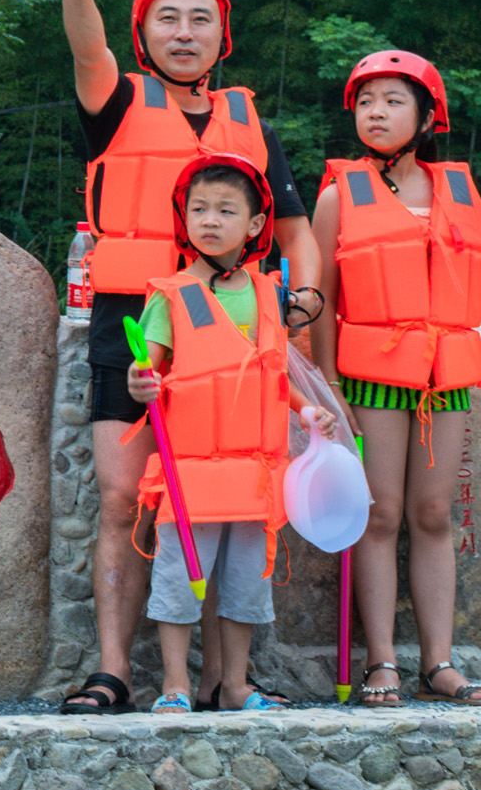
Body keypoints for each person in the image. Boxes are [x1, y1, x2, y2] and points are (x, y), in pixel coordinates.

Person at [48, 0, 325, 715]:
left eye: (200, 18)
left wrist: (299, 307)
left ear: (222, 37)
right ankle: (115, 672)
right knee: (125, 498)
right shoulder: (117, 96)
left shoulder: (248, 118)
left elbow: (298, 231)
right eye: (168, 17)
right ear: (144, 32)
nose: (184, 31)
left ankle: (219, 680)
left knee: (224, 498)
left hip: (234, 331)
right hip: (135, 318)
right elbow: (87, 53)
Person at [307, 48, 481, 708]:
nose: (375, 112)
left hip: (447, 378)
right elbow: (319, 297)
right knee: (379, 515)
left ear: (426, 114)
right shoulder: (336, 196)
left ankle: (439, 662)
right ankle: (382, 660)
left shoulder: (458, 193)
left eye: (392, 100)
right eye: (365, 101)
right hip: (373, 376)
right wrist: (325, 383)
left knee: (434, 513)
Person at [129, 157, 355, 712]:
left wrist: (307, 413)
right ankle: (176, 686)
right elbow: (147, 371)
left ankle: (235, 685)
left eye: (226, 211)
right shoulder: (171, 294)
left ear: (254, 226)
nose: (209, 220)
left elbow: (273, 374)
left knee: (245, 587)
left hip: (255, 474)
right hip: (191, 474)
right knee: (182, 582)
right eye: (198, 209)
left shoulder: (266, 294)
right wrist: (140, 384)